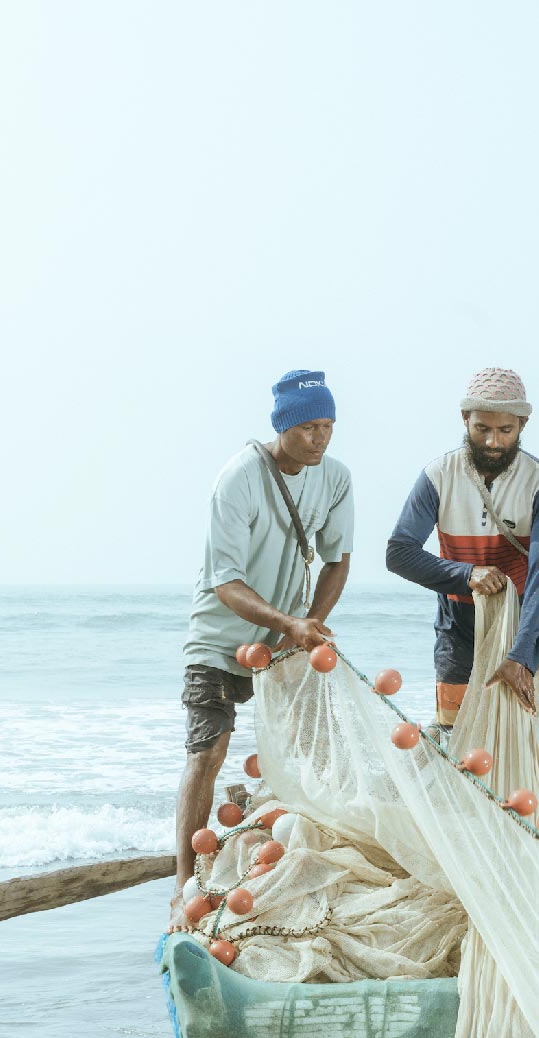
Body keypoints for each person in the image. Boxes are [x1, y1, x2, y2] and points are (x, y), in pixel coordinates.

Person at [168, 369, 354, 931]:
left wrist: (309, 624)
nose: (320, 439)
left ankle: (292, 868)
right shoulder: (240, 479)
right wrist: (288, 623)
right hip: (220, 638)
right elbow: (225, 581)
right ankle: (182, 884)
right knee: (209, 750)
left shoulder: (336, 478)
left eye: (328, 426)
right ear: (283, 428)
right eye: (308, 428)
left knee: (307, 755)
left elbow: (338, 559)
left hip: (288, 641)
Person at [386, 367, 539, 732]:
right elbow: (398, 553)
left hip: (525, 624)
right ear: (465, 419)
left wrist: (520, 655)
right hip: (458, 627)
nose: (493, 442)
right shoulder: (438, 476)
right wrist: (467, 574)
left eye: (505, 430)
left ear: (522, 425)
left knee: (530, 736)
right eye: (482, 428)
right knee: (457, 737)